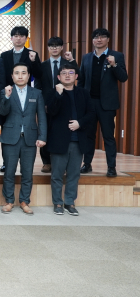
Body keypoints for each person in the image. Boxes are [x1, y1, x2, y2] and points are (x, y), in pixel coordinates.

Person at [78, 28, 128, 177]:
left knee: (108, 136)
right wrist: (80, 100)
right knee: (89, 136)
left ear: (108, 39)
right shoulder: (86, 57)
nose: (98, 40)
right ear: (92, 40)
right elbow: (81, 80)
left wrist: (114, 65)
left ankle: (111, 167)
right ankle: (87, 164)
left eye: (102, 37)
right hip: (89, 103)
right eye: (96, 37)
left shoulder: (117, 56)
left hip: (107, 105)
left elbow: (123, 77)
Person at [46, 64, 95, 216]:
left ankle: (69, 202)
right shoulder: (53, 92)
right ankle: (57, 203)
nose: (67, 75)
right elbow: (51, 112)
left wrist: (79, 123)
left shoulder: (83, 93)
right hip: (59, 140)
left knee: (74, 174)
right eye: (64, 73)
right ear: (58, 77)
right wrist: (58, 94)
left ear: (76, 76)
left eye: (71, 73)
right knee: (57, 174)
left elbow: (91, 113)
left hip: (78, 140)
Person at [0, 62, 47, 215]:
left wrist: (42, 136)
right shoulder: (6, 92)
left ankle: (25, 201)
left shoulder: (36, 93)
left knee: (27, 172)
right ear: (12, 76)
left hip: (30, 138)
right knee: (9, 172)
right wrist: (7, 97)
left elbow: (42, 117)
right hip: (10, 138)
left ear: (28, 75)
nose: (20, 76)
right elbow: (3, 112)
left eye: (23, 73)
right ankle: (9, 201)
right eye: (17, 73)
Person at [39, 37, 77, 173]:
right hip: (46, 103)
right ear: (48, 48)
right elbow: (38, 84)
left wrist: (72, 61)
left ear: (61, 48)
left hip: (65, 102)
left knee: (63, 130)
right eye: (51, 46)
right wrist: (42, 103)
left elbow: (78, 75)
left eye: (57, 46)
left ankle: (64, 161)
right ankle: (46, 162)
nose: (54, 48)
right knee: (45, 130)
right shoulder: (42, 65)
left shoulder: (68, 63)